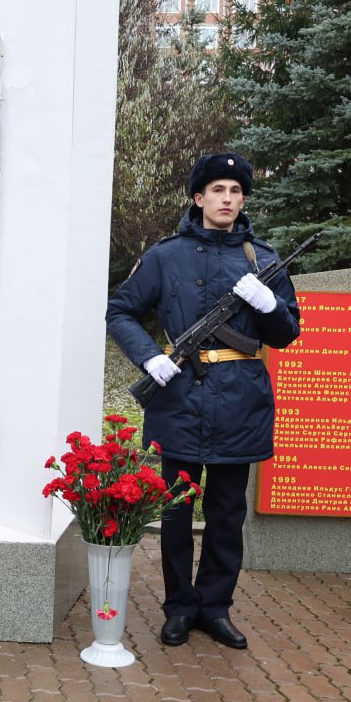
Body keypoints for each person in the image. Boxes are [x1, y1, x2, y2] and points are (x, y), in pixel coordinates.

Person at [105, 152, 300, 650]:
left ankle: (214, 608)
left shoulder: (265, 259)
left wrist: (270, 305)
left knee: (227, 511)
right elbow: (121, 310)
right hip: (179, 394)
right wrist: (150, 358)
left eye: (235, 192)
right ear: (199, 198)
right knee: (175, 509)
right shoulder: (166, 255)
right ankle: (179, 607)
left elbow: (286, 334)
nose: (227, 199)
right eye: (218, 190)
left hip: (240, 399)